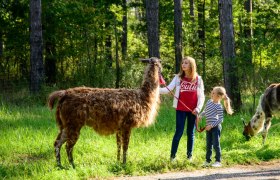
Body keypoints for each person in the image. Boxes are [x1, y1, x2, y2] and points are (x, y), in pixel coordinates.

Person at [160, 56, 205, 161]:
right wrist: (154, 90)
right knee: (179, 132)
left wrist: (198, 108)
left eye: (186, 63)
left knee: (191, 133)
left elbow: (202, 96)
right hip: (180, 109)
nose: (183, 65)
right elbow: (168, 89)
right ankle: (172, 157)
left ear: (191, 65)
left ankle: (189, 157)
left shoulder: (198, 79)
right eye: (183, 63)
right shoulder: (178, 77)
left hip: (193, 111)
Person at [198, 86, 233, 167]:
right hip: (208, 127)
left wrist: (211, 125)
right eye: (212, 92)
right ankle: (207, 161)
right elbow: (205, 111)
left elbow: (221, 119)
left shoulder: (219, 106)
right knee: (208, 144)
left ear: (218, 96)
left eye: (213, 93)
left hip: (215, 128)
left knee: (216, 144)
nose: (211, 93)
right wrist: (200, 116)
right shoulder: (209, 102)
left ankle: (218, 161)